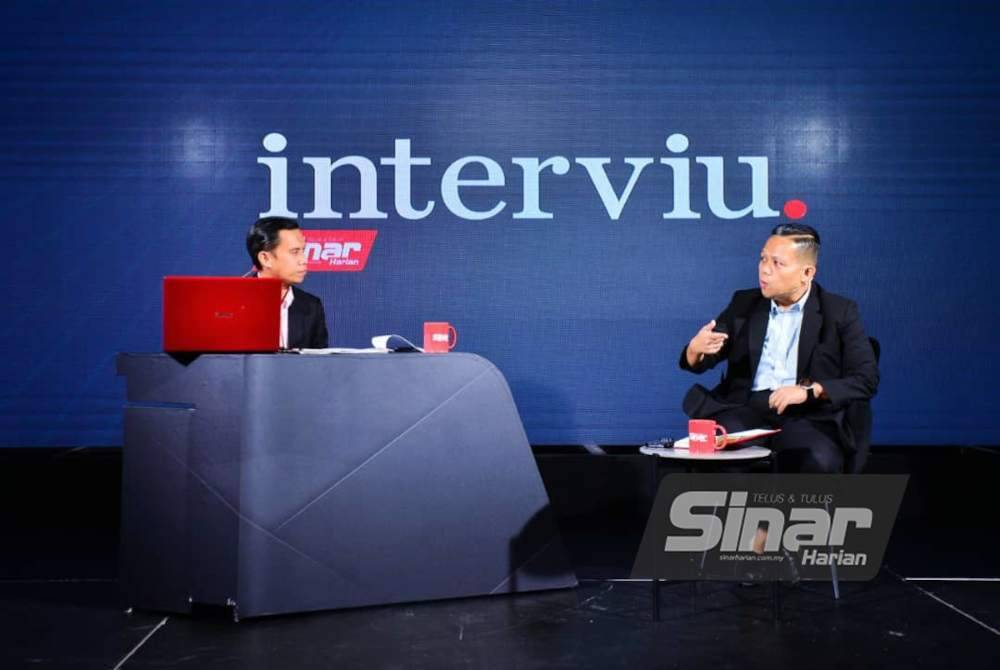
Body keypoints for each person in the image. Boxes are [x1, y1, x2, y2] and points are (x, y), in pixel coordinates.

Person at [679, 223, 878, 474]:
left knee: (815, 459)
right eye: (763, 258)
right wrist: (695, 349)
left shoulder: (839, 312)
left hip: (809, 415)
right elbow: (704, 359)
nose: (765, 269)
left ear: (807, 272)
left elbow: (866, 379)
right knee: (720, 459)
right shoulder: (744, 304)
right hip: (745, 409)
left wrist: (811, 391)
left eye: (777, 263)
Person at [246, 216, 329, 349]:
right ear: (265, 258)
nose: (304, 260)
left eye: (303, 251)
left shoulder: (311, 306)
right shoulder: (232, 303)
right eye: (295, 252)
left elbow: (319, 364)